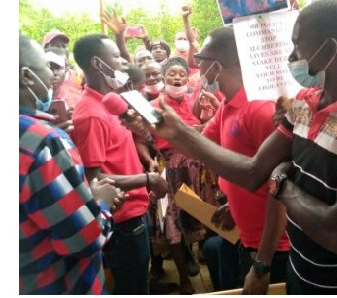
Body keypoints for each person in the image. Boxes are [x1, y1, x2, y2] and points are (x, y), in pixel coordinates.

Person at [134, 0, 337, 294]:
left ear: (328, 49)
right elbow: (254, 173)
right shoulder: (305, 101)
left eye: (298, 46)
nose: (291, 57)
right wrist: (178, 134)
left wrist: (280, 183)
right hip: (300, 269)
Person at [19, 33, 125, 294]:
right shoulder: (41, 142)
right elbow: (84, 238)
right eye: (47, 67)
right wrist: (99, 200)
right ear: (26, 77)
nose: (56, 76)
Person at [194, 27, 290, 294]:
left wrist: (262, 264)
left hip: (274, 248)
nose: (198, 67)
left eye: (199, 59)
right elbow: (200, 141)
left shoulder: (258, 109)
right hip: (247, 235)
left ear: (215, 65)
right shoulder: (229, 104)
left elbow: (280, 188)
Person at [70, 34, 168, 295]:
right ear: (96, 63)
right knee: (133, 288)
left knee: (139, 280)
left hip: (134, 211)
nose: (123, 62)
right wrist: (147, 180)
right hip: (122, 220)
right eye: (115, 56)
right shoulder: (91, 114)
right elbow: (95, 178)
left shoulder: (111, 103)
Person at [144, 56, 219, 295]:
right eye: (172, 74)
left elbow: (207, 128)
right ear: (164, 77)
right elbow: (140, 139)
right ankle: (185, 280)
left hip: (198, 169)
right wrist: (149, 161)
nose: (177, 78)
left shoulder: (196, 100)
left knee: (205, 216)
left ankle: (211, 264)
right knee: (172, 224)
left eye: (182, 75)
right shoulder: (152, 105)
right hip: (170, 170)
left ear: (188, 78)